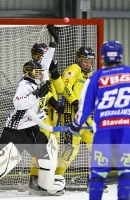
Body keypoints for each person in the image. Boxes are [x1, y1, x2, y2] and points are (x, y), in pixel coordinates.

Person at [0, 60, 65, 198]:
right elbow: (18, 103)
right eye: (38, 73)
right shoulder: (25, 85)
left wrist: (53, 44)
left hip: (33, 129)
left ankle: (46, 185)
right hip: (18, 129)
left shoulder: (38, 80)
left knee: (48, 153)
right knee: (8, 158)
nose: (41, 75)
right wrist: (36, 94)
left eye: (41, 73)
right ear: (29, 73)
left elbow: (45, 64)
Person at [67, 40, 130, 200]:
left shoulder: (96, 77)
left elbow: (85, 107)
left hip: (104, 130)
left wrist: (76, 125)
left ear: (102, 57)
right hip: (125, 130)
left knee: (97, 173)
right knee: (125, 170)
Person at [28, 26, 66, 195]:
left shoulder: (48, 68)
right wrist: (52, 101)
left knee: (54, 148)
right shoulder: (31, 70)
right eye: (36, 56)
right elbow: (40, 91)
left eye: (41, 56)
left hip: (53, 116)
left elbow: (60, 89)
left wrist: (55, 73)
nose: (39, 59)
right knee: (41, 148)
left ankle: (48, 179)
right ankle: (34, 178)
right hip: (41, 115)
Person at [55, 46, 96, 189]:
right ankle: (56, 177)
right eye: (85, 61)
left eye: (90, 61)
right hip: (72, 113)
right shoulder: (73, 68)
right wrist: (74, 101)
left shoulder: (89, 75)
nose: (87, 64)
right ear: (78, 59)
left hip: (85, 116)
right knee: (72, 148)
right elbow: (64, 87)